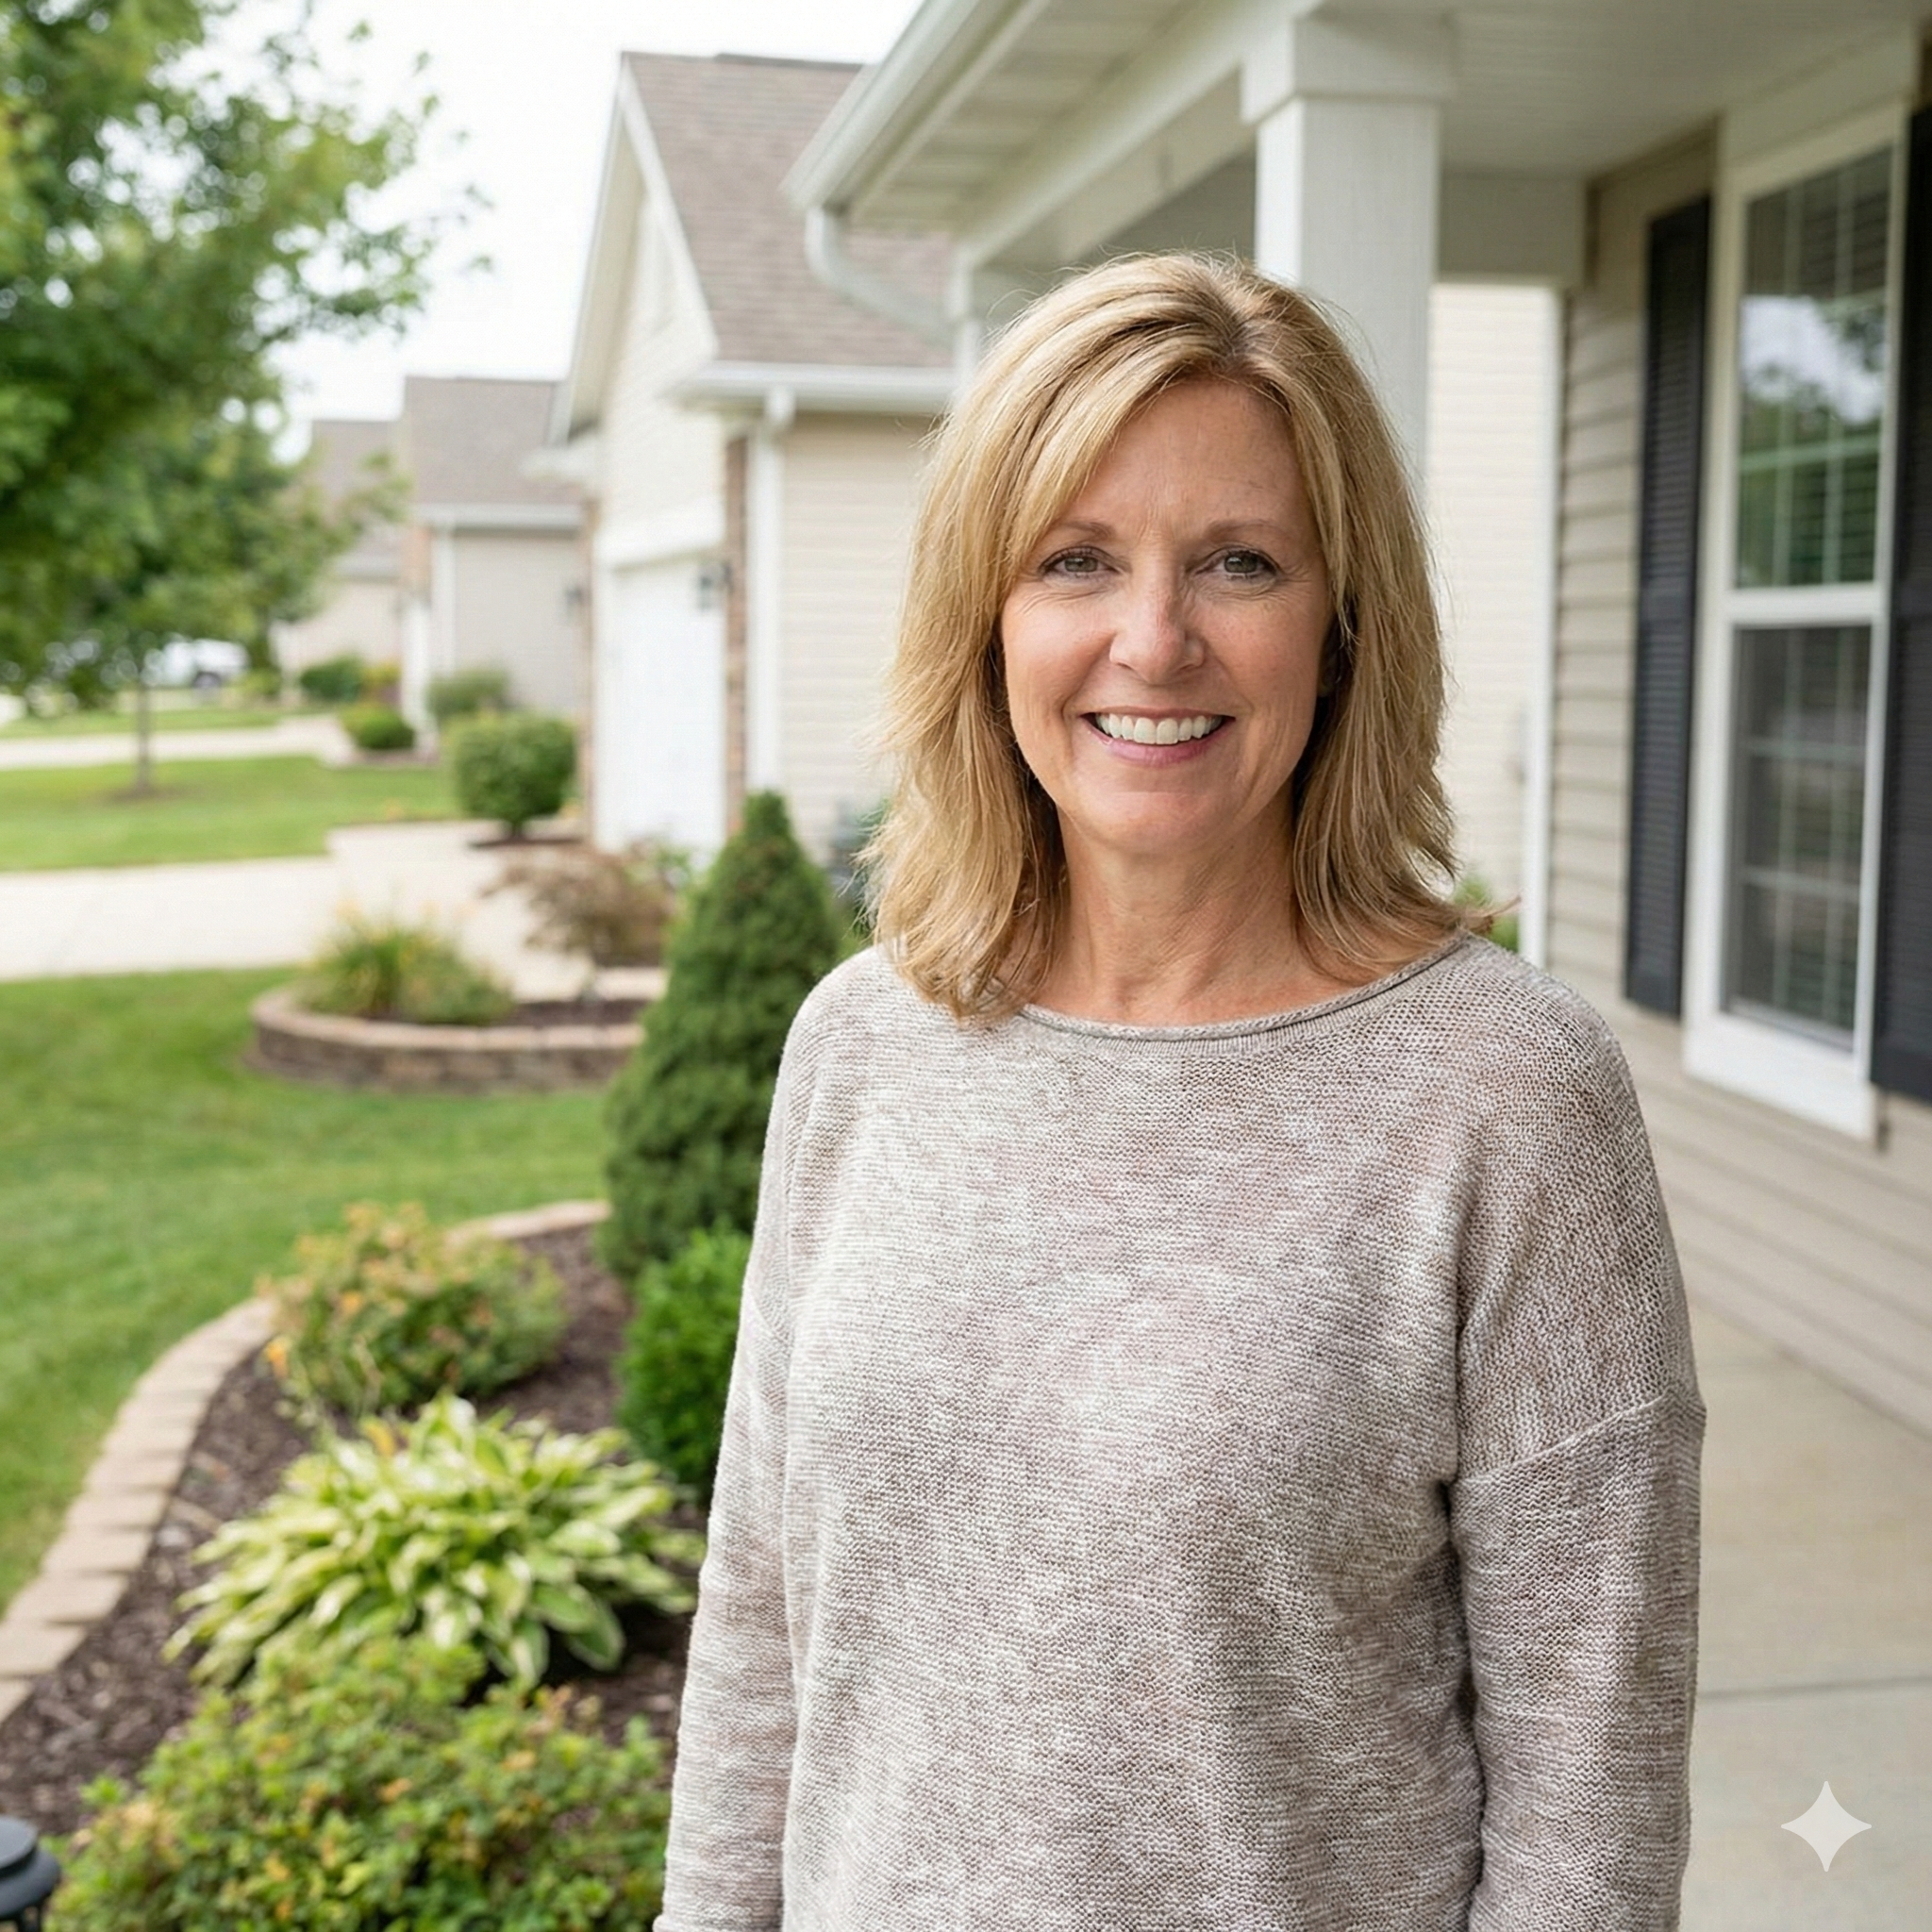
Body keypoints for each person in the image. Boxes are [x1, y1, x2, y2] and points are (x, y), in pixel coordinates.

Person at [654, 252, 1706, 1932]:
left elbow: (1593, 1797)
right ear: (985, 615)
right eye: (1076, 560)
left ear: (1342, 624)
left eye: (1239, 562)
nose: (1155, 639)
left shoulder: (1504, 1096)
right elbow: (764, 1613)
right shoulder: (861, 1045)